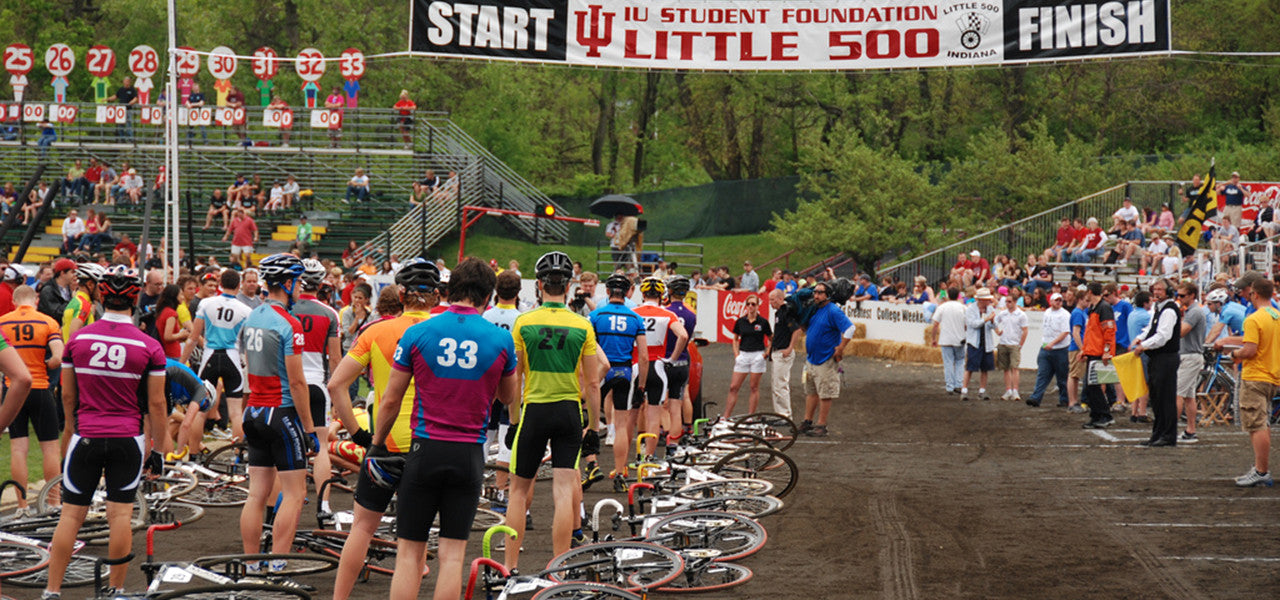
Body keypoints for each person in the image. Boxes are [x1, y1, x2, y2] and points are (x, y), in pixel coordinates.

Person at [376, 257, 517, 600]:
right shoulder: (500, 339)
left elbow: (391, 400)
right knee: (452, 555)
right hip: (469, 451)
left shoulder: (418, 332)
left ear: (448, 291)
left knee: (409, 552)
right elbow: (509, 398)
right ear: (488, 297)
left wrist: (377, 444)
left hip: (425, 448)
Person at [42, 268, 167, 599]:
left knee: (71, 515)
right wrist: (160, 450)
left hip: (86, 434)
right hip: (128, 438)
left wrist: (70, 430)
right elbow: (156, 404)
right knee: (120, 516)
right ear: (135, 298)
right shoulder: (149, 345)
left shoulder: (79, 339)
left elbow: (67, 396)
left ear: (100, 295)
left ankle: (52, 591)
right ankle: (115, 590)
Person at [325, 260, 438, 600]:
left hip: (384, 443)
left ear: (400, 294)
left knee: (361, 528)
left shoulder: (375, 331)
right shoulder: (443, 330)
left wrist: (358, 434)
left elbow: (336, 385)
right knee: (413, 541)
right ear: (435, 296)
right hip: (428, 442)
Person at [504, 251, 602, 569]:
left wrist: (513, 420)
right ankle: (559, 566)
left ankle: (510, 566)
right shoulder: (582, 325)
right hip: (569, 412)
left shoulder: (524, 322)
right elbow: (593, 383)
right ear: (569, 285)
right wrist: (595, 427)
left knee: (518, 492)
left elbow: (514, 378)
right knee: (563, 491)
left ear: (540, 285)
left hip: (535, 410)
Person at [237, 254, 319, 566]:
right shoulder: (289, 323)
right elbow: (297, 382)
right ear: (288, 283)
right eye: (298, 282)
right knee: (295, 493)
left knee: (256, 494)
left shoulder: (253, 316)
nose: (300, 288)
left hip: (254, 411)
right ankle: (277, 563)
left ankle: (250, 562)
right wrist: (310, 429)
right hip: (280, 412)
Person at [1214, 275, 1280, 487]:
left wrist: (1233, 355)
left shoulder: (1254, 319)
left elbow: (1250, 350)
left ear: (1255, 293)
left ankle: (1261, 471)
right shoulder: (1276, 315)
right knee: (1264, 422)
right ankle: (1261, 469)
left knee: (1256, 424)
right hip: (1272, 374)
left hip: (1255, 375)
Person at [0, 285, 60, 517]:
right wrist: (48, 362)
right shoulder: (47, 322)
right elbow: (58, 355)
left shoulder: (3, 321)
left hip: (12, 391)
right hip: (39, 387)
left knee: (18, 448)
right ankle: (53, 503)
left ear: (14, 301)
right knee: (50, 449)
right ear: (35, 299)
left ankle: (22, 506)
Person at [588, 274, 647, 490]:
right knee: (622, 426)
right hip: (624, 371)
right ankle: (620, 473)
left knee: (590, 421)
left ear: (607, 291)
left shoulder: (595, 316)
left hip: (600, 371)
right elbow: (643, 357)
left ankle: (591, 464)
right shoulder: (635, 318)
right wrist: (641, 385)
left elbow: (588, 349)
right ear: (628, 292)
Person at [292, 259, 341, 515]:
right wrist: (337, 393)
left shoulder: (285, 311)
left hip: (289, 384)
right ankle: (324, 506)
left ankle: (286, 503)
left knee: (288, 445)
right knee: (321, 446)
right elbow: (335, 359)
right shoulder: (329, 313)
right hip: (317, 384)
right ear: (321, 284)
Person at [632, 278, 688, 458]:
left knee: (628, 417)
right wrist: (671, 358)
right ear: (662, 295)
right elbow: (683, 336)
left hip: (635, 366)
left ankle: (624, 464)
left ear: (642, 294)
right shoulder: (667, 314)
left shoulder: (633, 313)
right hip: (657, 366)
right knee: (654, 415)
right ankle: (649, 457)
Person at [482, 271, 524, 498]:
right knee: (508, 436)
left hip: (487, 382)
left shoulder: (485, 317)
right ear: (518, 292)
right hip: (512, 382)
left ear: (496, 291)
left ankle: (476, 489)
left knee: (485, 435)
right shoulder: (521, 318)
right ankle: (499, 490)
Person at [798, 280, 854, 437]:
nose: (815, 295)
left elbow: (850, 328)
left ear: (828, 295)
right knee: (811, 391)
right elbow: (807, 328)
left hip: (825, 358)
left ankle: (821, 424)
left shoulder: (833, 311)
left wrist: (841, 347)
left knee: (825, 392)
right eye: (815, 292)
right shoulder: (814, 310)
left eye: (819, 292)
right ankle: (807, 421)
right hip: (812, 358)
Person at [663, 275, 698, 445]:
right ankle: (675, 443)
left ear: (670, 291)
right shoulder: (691, 313)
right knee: (680, 400)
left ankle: (662, 435)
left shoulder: (665, 311)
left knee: (662, 403)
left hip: (665, 359)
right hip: (683, 359)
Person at [1077, 282, 1117, 429]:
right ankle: (1097, 415)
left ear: (1089, 292)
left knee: (1092, 386)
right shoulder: (1095, 308)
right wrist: (1085, 350)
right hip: (1094, 351)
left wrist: (1107, 352)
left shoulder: (1103, 308)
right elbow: (1092, 334)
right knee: (1091, 386)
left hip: (1098, 353)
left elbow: (1109, 332)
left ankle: (1104, 415)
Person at [725, 292, 769, 417]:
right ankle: (726, 416)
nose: (750, 306)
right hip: (743, 355)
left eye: (753, 304)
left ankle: (751, 415)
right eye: (748, 304)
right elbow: (734, 338)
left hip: (757, 355)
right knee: (733, 387)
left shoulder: (763, 322)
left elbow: (771, 339)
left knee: (754, 387)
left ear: (757, 306)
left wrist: (765, 355)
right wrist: (736, 354)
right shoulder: (740, 321)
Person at [1172, 282, 1205, 444]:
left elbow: (1181, 332)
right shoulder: (1192, 311)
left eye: (1182, 295)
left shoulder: (1194, 312)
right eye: (1178, 295)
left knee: (1177, 393)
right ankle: (1190, 430)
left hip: (1190, 356)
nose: (1179, 298)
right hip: (1191, 355)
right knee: (1189, 396)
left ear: (1192, 295)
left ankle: (1170, 430)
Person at [1026, 293, 1071, 407]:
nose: (1059, 302)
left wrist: (1053, 343)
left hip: (1060, 349)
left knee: (1062, 377)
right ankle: (1036, 397)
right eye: (1056, 300)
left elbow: (1065, 332)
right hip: (1046, 347)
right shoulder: (1047, 312)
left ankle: (1064, 399)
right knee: (1042, 374)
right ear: (1051, 301)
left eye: (1060, 300)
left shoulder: (1065, 314)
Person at [767, 287, 799, 418]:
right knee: (776, 384)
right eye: (769, 300)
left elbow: (796, 330)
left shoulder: (786, 312)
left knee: (780, 384)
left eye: (773, 300)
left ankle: (785, 414)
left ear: (781, 299)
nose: (770, 302)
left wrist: (790, 348)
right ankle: (780, 413)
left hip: (783, 352)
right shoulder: (778, 313)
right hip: (777, 351)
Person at [963, 288, 998, 401]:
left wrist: (992, 321)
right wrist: (987, 319)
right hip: (974, 342)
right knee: (970, 367)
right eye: (987, 300)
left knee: (985, 368)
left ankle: (982, 390)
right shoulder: (970, 310)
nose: (989, 302)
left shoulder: (990, 309)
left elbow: (994, 325)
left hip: (986, 342)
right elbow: (973, 324)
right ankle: (964, 390)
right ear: (981, 300)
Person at [931, 286, 966, 395]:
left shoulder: (942, 307)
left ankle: (950, 386)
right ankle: (958, 384)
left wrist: (933, 338)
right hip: (959, 338)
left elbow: (935, 324)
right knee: (960, 361)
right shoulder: (963, 307)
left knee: (948, 362)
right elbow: (967, 324)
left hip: (946, 338)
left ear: (948, 295)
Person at [995, 296, 1028, 401]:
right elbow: (994, 322)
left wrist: (1020, 345)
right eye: (1006, 302)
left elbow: (1025, 330)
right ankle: (1008, 390)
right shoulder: (1003, 313)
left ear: (1015, 302)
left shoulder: (1021, 315)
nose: (1007, 304)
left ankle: (1015, 390)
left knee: (1014, 367)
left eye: (1009, 302)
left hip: (1014, 344)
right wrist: (997, 331)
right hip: (1004, 342)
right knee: (1006, 368)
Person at [63, 263, 105, 340]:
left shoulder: (76, 300)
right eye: (100, 287)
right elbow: (73, 334)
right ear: (90, 285)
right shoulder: (83, 304)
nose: (101, 291)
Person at [154, 284, 187, 359]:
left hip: (166, 351)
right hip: (172, 353)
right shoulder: (171, 313)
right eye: (181, 294)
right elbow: (167, 336)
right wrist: (181, 334)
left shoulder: (163, 311)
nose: (183, 297)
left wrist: (180, 338)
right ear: (174, 296)